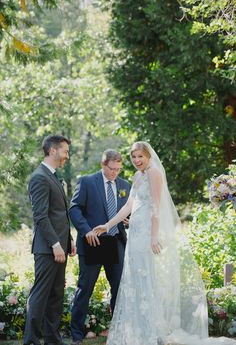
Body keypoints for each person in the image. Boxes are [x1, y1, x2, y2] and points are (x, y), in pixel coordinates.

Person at [94, 141, 236, 345]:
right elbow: (128, 206)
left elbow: (156, 208)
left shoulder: (154, 174)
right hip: (134, 233)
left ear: (149, 156)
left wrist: (153, 237)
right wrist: (107, 226)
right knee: (134, 279)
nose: (136, 161)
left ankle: (150, 332)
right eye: (133, 157)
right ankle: (138, 331)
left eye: (140, 156)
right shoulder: (138, 175)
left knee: (145, 278)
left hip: (145, 235)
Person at [69, 149, 131, 345]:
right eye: (111, 169)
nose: (115, 173)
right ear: (103, 165)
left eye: (118, 170)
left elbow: (128, 212)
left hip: (116, 243)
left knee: (119, 290)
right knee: (84, 289)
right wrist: (86, 230)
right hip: (92, 243)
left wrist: (130, 221)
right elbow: (74, 208)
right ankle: (76, 334)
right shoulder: (87, 181)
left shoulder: (124, 185)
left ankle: (118, 332)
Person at [23, 134, 76, 345]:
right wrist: (55, 244)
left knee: (56, 296)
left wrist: (68, 240)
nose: (67, 156)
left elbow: (60, 213)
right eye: (65, 151)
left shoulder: (53, 176)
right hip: (47, 248)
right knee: (40, 296)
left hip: (60, 247)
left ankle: (53, 340)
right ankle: (31, 341)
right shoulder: (39, 177)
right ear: (53, 151)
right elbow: (40, 217)